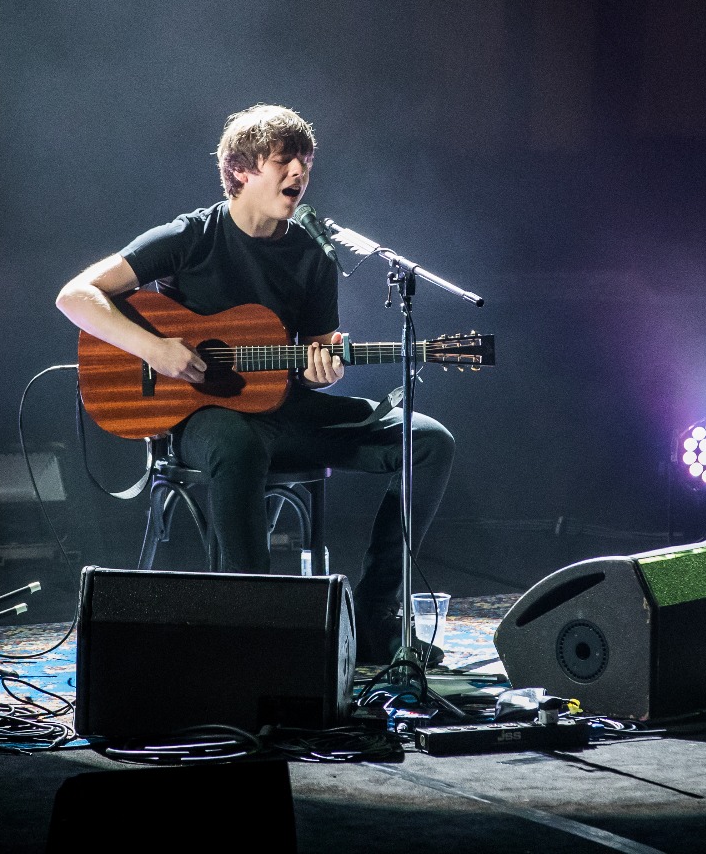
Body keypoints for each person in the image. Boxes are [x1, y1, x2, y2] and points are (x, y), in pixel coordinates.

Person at [55, 103, 455, 665]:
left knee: (429, 440)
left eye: (306, 163)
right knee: (238, 442)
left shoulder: (314, 253)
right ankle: (251, 631)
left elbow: (316, 356)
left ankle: (373, 616)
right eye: (284, 161)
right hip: (202, 419)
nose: (299, 174)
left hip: (282, 410)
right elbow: (76, 296)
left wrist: (326, 367)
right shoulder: (191, 236)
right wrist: (155, 348)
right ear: (242, 170)